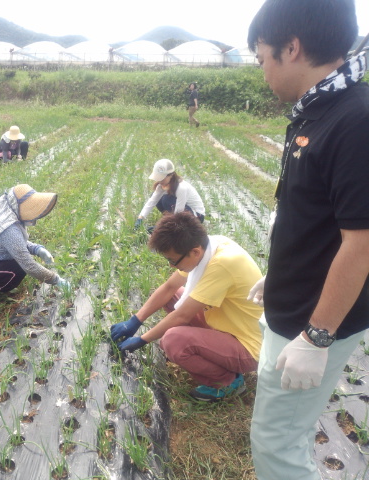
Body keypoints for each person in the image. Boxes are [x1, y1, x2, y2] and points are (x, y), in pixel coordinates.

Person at [245, 1, 369, 479]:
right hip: (291, 306)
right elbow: (313, 219)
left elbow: (361, 241)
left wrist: (317, 337)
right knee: (278, 434)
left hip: (311, 322)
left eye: (261, 59)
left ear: (291, 48)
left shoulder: (354, 120)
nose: (262, 73)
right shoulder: (314, 112)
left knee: (277, 447)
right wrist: (277, 275)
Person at [112, 212, 263, 401]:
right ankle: (218, 359)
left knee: (173, 341)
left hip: (248, 346)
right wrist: (136, 320)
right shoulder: (208, 247)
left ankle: (227, 382)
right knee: (174, 297)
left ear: (195, 252)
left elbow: (182, 316)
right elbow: (169, 288)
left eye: (173, 261)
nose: (171, 266)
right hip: (225, 325)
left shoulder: (222, 263)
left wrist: (142, 339)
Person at [0, 184, 70, 307]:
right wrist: (55, 280)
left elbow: (16, 244)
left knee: (16, 262)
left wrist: (37, 249)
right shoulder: (8, 229)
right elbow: (29, 266)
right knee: (18, 268)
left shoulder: (6, 215)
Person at [134, 158, 205, 231]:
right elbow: (151, 202)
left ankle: (175, 225)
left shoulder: (181, 188)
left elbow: (179, 212)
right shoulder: (161, 186)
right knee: (156, 197)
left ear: (171, 175)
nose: (159, 181)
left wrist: (162, 228)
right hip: (183, 213)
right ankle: (171, 221)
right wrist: (140, 218)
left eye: (162, 178)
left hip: (196, 217)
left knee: (166, 199)